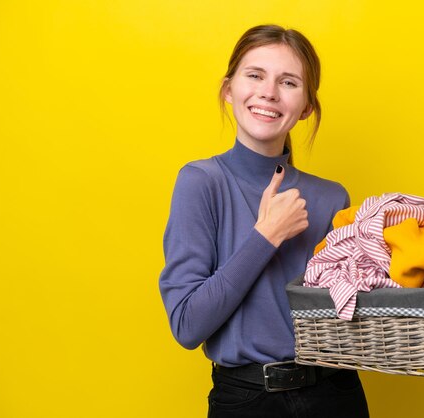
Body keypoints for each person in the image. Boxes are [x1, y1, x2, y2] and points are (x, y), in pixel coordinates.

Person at [159, 25, 370, 417]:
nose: (269, 92)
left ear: (306, 106)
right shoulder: (201, 182)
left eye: (288, 82)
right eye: (255, 75)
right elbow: (187, 325)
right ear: (228, 89)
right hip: (247, 400)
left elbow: (356, 304)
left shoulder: (331, 197)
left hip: (335, 394)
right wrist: (266, 235)